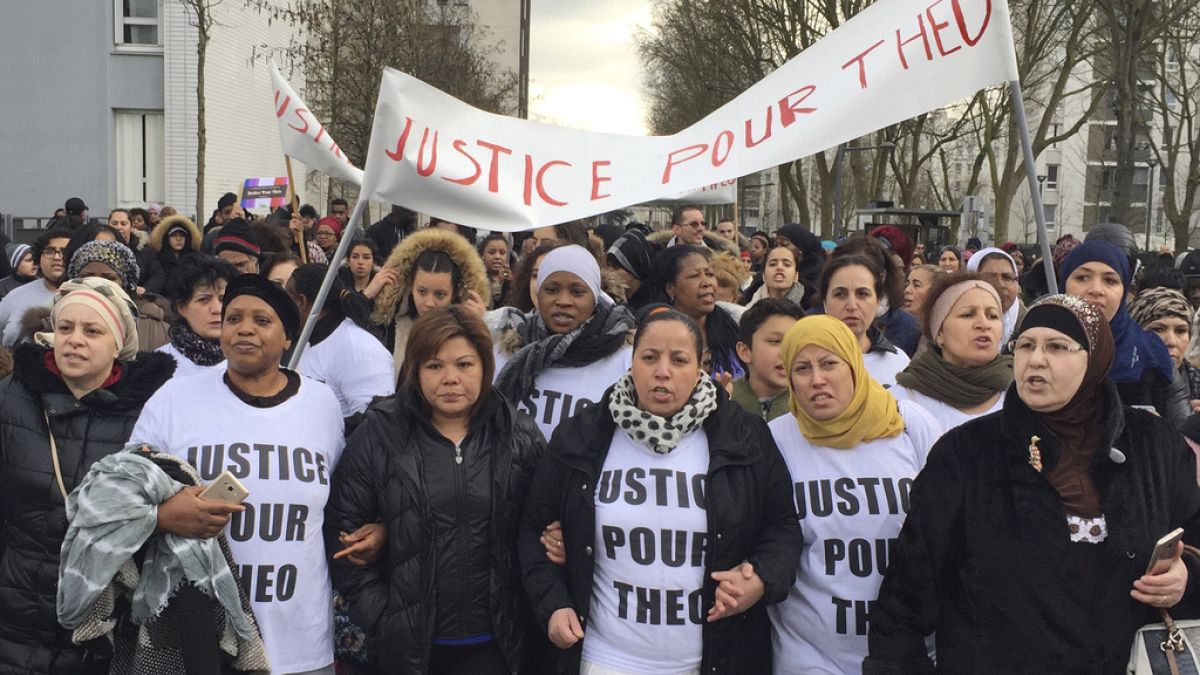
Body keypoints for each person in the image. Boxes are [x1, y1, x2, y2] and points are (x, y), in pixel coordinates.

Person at [866, 294, 1200, 673]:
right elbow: (907, 594)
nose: (1035, 360)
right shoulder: (967, 453)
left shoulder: (1152, 443)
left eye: (1056, 346)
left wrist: (1186, 575)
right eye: (1025, 345)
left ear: (1095, 358)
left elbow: (1195, 530)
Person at [519, 309, 803, 675]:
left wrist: (761, 578)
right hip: (606, 659)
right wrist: (553, 604)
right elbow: (531, 529)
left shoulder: (743, 435)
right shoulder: (582, 434)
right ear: (632, 361)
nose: (662, 371)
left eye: (679, 359)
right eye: (649, 357)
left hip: (713, 660)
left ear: (701, 366)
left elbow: (782, 528)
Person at [130, 274, 345, 675]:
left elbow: (344, 499)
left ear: (287, 338)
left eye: (262, 320)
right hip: (199, 638)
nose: (244, 328)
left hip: (299, 642)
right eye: (233, 319)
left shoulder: (322, 404)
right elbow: (118, 495)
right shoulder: (174, 398)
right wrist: (162, 516)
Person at [325, 306, 546, 673]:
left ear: (485, 366)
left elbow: (539, 525)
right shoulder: (381, 433)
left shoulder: (517, 434)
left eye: (464, 365)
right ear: (415, 370)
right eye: (434, 366)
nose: (450, 379)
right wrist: (385, 618)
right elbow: (343, 534)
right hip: (410, 650)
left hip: (499, 646)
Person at [0, 277, 175, 673]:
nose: (75, 339)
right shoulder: (10, 399)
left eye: (92, 330)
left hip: (108, 628)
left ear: (119, 343)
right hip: (15, 621)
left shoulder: (151, 412)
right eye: (65, 328)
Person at [769, 314, 941, 673]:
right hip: (810, 655)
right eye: (802, 368)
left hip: (909, 651)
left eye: (830, 363)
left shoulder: (908, 425)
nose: (817, 380)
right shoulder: (776, 440)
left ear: (853, 364)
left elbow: (947, 524)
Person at [493, 245, 635, 440]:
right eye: (551, 289)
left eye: (577, 292)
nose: (563, 301)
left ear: (594, 299)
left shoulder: (626, 361)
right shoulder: (505, 353)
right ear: (538, 295)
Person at [1061, 241, 1189, 428]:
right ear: (1063, 283)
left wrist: (1161, 434)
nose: (1096, 289)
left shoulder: (1152, 355)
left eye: (1110, 280)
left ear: (1124, 290)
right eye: (1082, 278)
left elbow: (1184, 439)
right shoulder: (1036, 345)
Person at [893, 273, 1012, 433]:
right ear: (939, 333)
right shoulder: (902, 401)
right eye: (968, 314)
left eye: (992, 316)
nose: (984, 324)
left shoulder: (1021, 395)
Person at [371, 228, 490, 373]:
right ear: (410, 286)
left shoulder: (468, 331)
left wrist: (483, 324)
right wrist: (367, 296)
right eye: (421, 292)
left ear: (454, 293)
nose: (429, 303)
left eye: (440, 295)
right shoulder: (391, 328)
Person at [288, 263, 395, 418]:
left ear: (301, 302)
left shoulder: (362, 351)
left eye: (287, 298)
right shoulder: (307, 341)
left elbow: (375, 425)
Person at [646, 245, 746, 378]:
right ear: (671, 289)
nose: (707, 282)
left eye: (710, 274)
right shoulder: (652, 336)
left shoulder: (734, 329)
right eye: (694, 276)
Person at [819, 255, 910, 388]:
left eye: (862, 294)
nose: (852, 305)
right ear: (825, 303)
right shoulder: (802, 362)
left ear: (878, 302)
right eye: (840, 294)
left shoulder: (899, 363)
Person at [158, 255, 237, 379]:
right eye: (204, 300)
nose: (217, 309)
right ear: (181, 307)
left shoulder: (251, 361)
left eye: (223, 299)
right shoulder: (159, 366)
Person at [732, 297, 804, 421]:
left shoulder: (808, 402)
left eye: (795, 342)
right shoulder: (725, 400)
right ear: (745, 351)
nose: (787, 351)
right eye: (775, 341)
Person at [1129, 287, 1200, 410]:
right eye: (1158, 330)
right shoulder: (1113, 385)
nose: (1171, 341)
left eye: (1181, 331)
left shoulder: (1196, 382)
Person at [0, 226, 72, 345]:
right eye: (49, 251)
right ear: (39, 256)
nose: (57, 257)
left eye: (65, 252)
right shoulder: (14, 297)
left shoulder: (88, 297)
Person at [967, 246, 1025, 343]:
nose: (1000, 284)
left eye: (1007, 277)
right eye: (990, 278)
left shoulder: (1029, 323)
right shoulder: (955, 321)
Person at [108, 208, 166, 295]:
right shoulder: (99, 249)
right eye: (114, 223)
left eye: (123, 223)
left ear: (131, 227)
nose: (119, 227)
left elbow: (158, 275)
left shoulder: (144, 249)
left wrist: (146, 289)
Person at [605, 228, 655, 311]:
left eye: (616, 267)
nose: (609, 272)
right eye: (608, 265)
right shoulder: (607, 301)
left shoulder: (650, 308)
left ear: (635, 271)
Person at [150, 213, 202, 290]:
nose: (178, 239)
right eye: (174, 235)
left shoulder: (195, 258)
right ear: (166, 239)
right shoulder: (158, 258)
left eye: (182, 235)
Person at [479, 233, 512, 307]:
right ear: (482, 255)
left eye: (502, 253)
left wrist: (507, 283)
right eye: (492, 252)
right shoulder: (476, 280)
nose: (497, 257)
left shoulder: (511, 282)